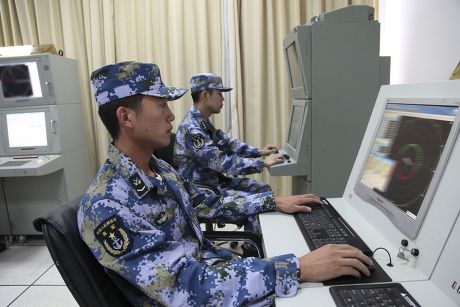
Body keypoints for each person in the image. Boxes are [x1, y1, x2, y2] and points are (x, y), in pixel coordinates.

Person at [78, 61, 373, 306]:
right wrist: (296, 268)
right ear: (126, 116)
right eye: (161, 105)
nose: (170, 115)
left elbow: (209, 201)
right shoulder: (106, 206)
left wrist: (273, 202)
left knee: (334, 286)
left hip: (214, 274)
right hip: (201, 292)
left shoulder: (159, 169)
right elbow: (185, 286)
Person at [173, 73, 284, 249]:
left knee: (263, 189)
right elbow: (223, 163)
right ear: (205, 95)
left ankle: (258, 241)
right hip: (202, 192)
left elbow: (228, 143)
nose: (223, 99)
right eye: (219, 93)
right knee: (257, 205)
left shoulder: (202, 122)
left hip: (214, 182)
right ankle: (253, 255)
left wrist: (259, 152)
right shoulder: (192, 129)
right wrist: (262, 163)